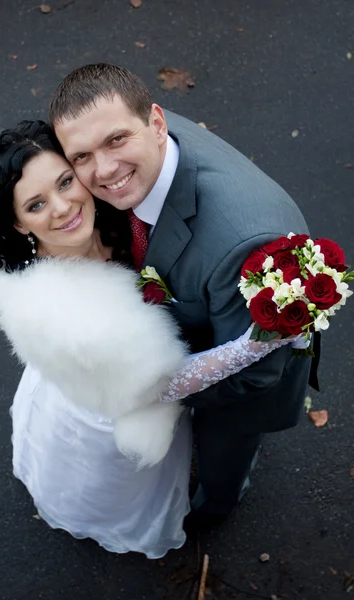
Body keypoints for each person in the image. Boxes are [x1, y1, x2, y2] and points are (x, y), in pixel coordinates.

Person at [0, 121, 303, 557]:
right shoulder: (54, 312)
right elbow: (156, 385)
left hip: (98, 375)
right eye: (35, 205)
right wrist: (255, 343)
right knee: (105, 483)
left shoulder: (107, 211)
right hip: (107, 406)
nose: (63, 206)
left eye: (65, 181)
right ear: (17, 224)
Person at [49, 63, 314, 525]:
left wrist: (158, 395)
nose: (105, 171)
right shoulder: (130, 138)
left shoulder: (243, 242)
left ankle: (216, 507)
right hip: (196, 318)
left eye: (115, 141)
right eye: (81, 157)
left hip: (241, 388)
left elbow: (257, 371)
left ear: (156, 123)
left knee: (221, 456)